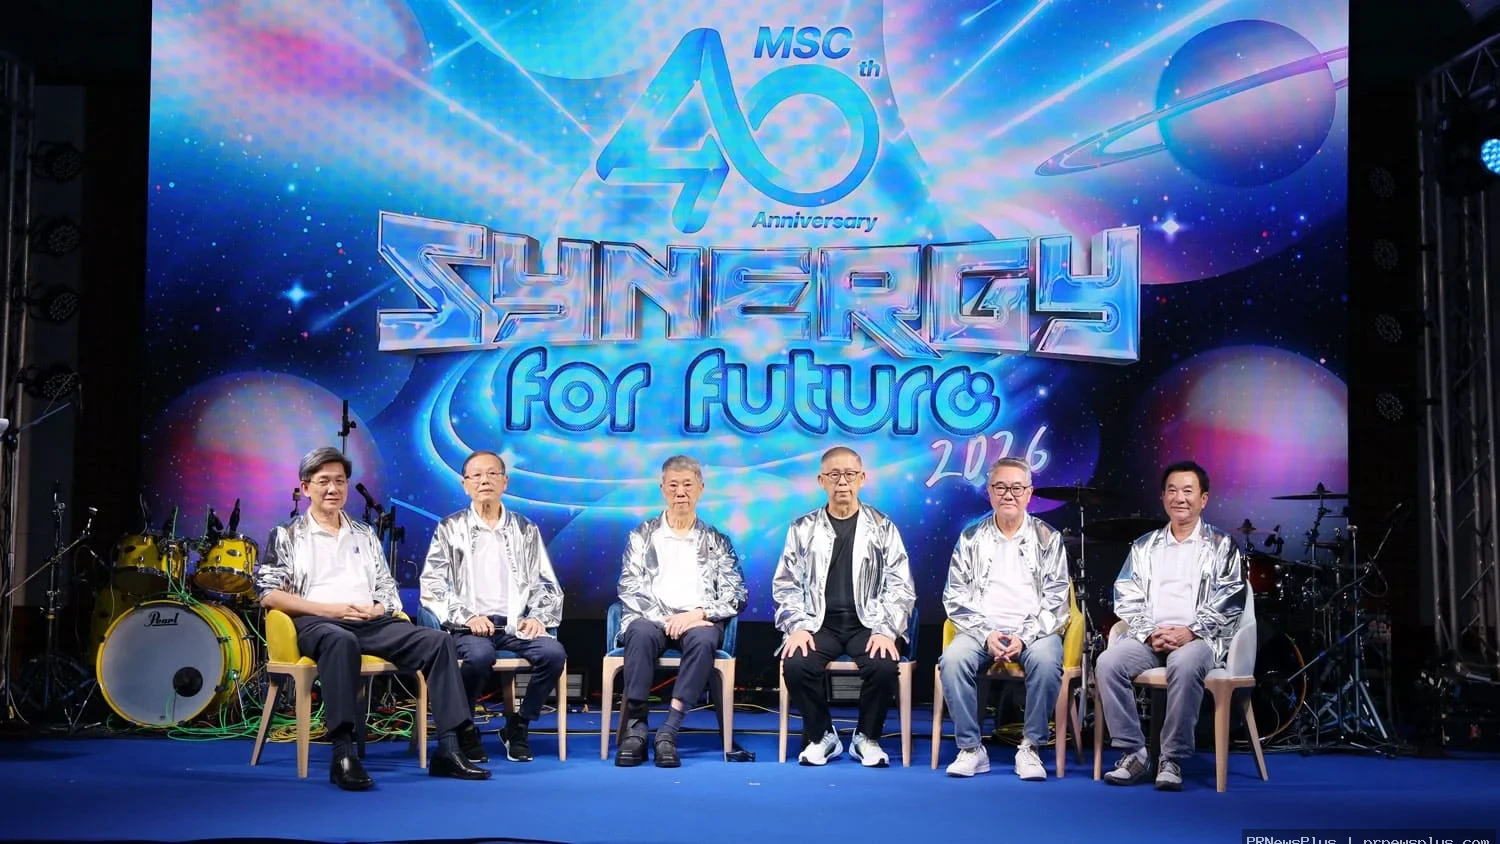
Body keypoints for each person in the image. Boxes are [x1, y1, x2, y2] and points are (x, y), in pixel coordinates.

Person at [254, 446, 490, 790]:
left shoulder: (364, 533)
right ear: (306, 488)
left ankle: (449, 749)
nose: (333, 489)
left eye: (340, 481)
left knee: (438, 641)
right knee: (341, 640)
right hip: (318, 622)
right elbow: (268, 593)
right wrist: (328, 610)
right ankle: (343, 753)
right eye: (323, 481)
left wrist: (379, 608)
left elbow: (386, 586)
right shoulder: (287, 534)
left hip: (368, 621)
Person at [1097, 460, 1246, 791]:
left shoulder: (1222, 545)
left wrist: (1190, 631)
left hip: (1199, 638)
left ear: (1203, 499)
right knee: (1108, 663)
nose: (1180, 498)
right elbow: (1127, 595)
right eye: (1173, 491)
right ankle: (1135, 753)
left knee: (1185, 662)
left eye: (1188, 491)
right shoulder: (1144, 546)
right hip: (1151, 637)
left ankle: (1171, 758)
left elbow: (1231, 598)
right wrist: (1150, 632)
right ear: (1163, 497)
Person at [772, 446, 916, 767]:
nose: (842, 482)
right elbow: (785, 584)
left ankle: (867, 737)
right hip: (818, 623)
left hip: (868, 623)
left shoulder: (882, 526)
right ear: (821, 481)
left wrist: (886, 630)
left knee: (883, 664)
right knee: (795, 663)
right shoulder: (802, 528)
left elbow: (901, 586)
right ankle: (823, 735)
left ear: (862, 478)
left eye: (849, 475)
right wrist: (797, 627)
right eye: (834, 475)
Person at [420, 449, 566, 764]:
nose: (484, 480)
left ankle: (519, 725)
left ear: (505, 481)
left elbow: (545, 582)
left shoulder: (525, 529)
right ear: (465, 485)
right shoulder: (450, 528)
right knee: (479, 656)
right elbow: (432, 585)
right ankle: (465, 727)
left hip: (514, 625)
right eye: (476, 475)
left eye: (492, 474)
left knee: (553, 654)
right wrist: (467, 617)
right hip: (468, 627)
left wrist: (538, 617)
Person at [937, 457, 1069, 779]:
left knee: (1047, 661)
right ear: (989, 492)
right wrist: (986, 634)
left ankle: (1030, 748)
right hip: (981, 631)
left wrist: (1024, 636)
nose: (1008, 494)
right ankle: (971, 748)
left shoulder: (1048, 538)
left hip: (1035, 632)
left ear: (1029, 493)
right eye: (1000, 487)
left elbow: (1058, 599)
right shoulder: (970, 538)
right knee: (951, 661)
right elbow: (955, 596)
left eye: (1016, 488)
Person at [614, 455, 747, 768]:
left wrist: (697, 614)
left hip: (696, 620)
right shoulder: (641, 536)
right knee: (639, 633)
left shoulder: (717, 540)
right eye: (673, 485)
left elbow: (737, 594)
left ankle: (669, 730)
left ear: (700, 488)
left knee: (704, 639)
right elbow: (629, 588)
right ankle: (636, 727)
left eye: (688, 485)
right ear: (663, 489)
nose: (681, 492)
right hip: (652, 618)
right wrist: (666, 620)